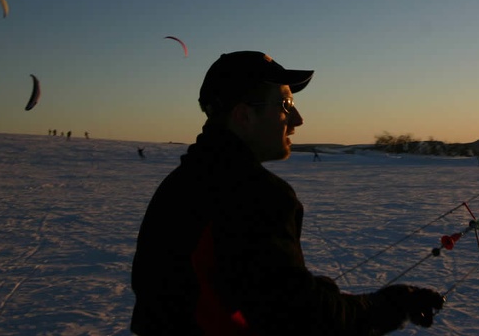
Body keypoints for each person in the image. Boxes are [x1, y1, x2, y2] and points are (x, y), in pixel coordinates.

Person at [130, 51, 444, 336]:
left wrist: (309, 289)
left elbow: (247, 289)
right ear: (244, 116)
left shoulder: (183, 182)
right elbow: (301, 320)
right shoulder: (253, 194)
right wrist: (385, 307)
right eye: (286, 105)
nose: (297, 120)